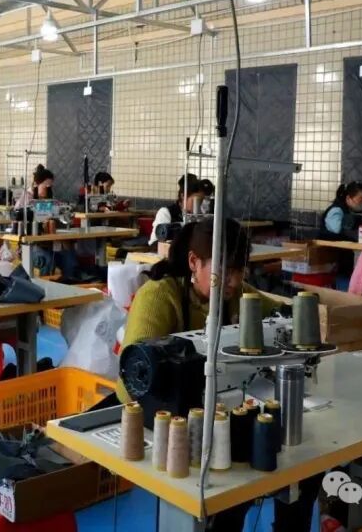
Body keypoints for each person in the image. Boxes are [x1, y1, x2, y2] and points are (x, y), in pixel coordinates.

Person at [118, 219, 320, 532]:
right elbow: (133, 379)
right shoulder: (159, 296)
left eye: (241, 270)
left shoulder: (237, 295)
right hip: (167, 422)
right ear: (193, 262)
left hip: (220, 411)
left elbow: (283, 314)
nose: (234, 280)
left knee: (305, 466)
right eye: (225, 270)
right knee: (236, 474)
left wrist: (306, 311)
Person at [149, 174, 203, 246]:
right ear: (183, 196)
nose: (199, 205)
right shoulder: (166, 213)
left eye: (201, 201)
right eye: (196, 201)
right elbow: (154, 244)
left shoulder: (200, 217)